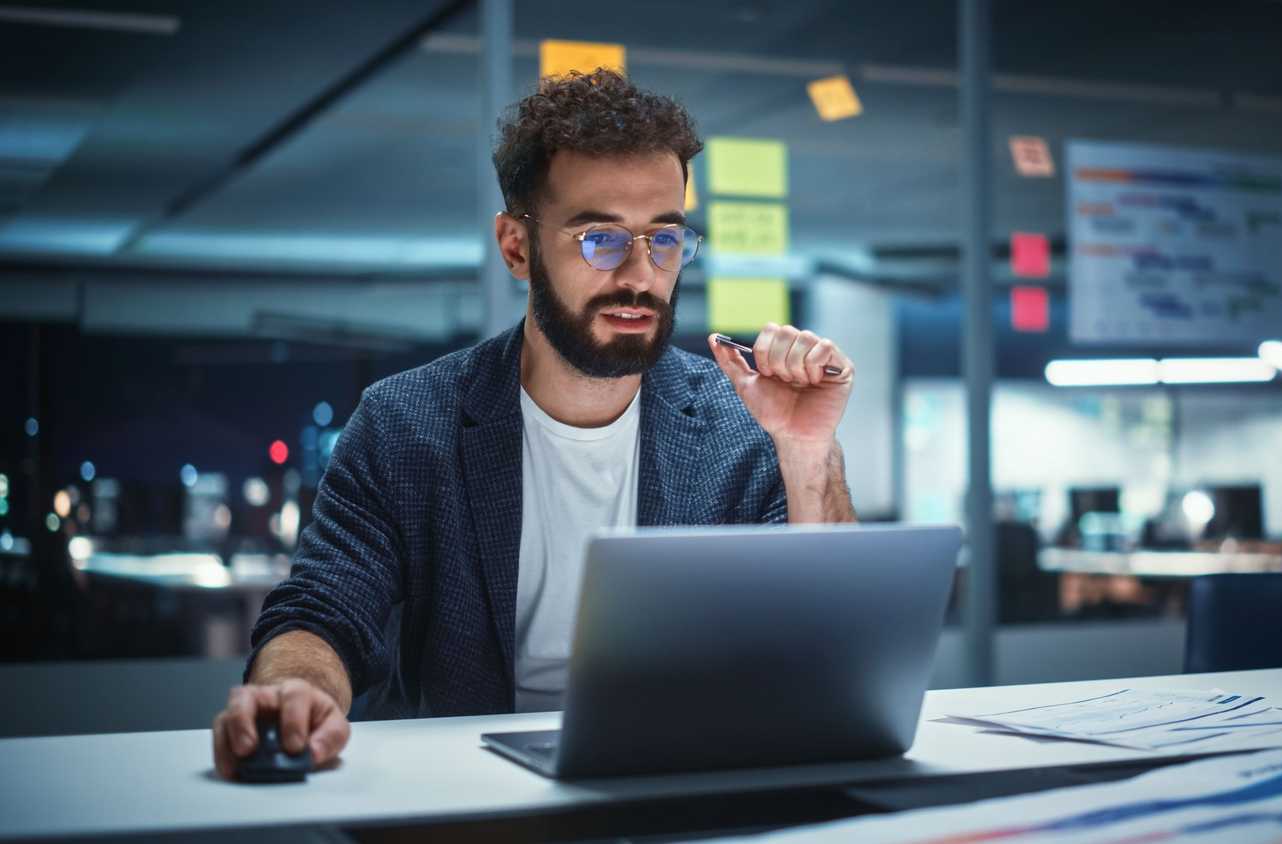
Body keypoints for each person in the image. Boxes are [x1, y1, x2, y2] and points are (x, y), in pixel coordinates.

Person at [210, 70, 857, 780]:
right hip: (469, 793)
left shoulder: (743, 425)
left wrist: (808, 452)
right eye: (601, 240)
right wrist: (295, 691)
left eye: (664, 241)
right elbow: (323, 609)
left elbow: (833, 652)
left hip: (686, 784)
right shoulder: (405, 424)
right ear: (517, 246)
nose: (639, 276)